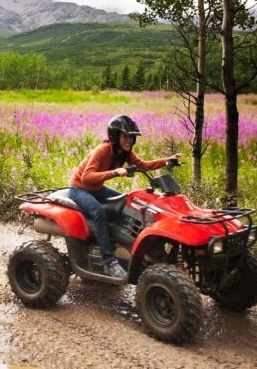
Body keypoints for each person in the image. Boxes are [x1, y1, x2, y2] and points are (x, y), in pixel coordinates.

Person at [68, 114, 181, 279]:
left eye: (131, 137)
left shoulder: (125, 153)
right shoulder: (102, 150)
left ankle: (120, 242)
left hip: (97, 189)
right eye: (125, 136)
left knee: (125, 202)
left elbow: (142, 165)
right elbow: (86, 177)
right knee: (98, 212)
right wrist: (115, 172)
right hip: (79, 189)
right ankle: (109, 262)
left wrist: (166, 161)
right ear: (115, 136)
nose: (129, 140)